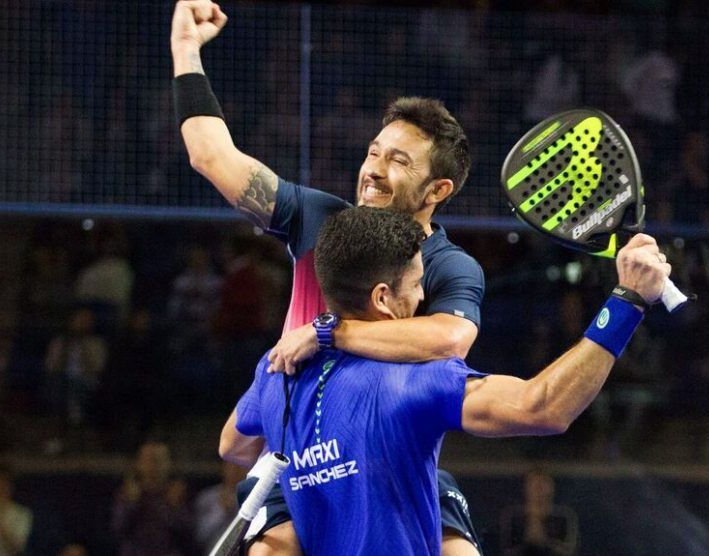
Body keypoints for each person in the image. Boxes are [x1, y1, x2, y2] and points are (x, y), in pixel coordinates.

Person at [171, 2, 484, 553]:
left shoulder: (448, 264)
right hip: (304, 455)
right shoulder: (320, 219)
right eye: (373, 152)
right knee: (272, 549)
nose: (374, 170)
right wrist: (185, 50)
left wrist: (327, 333)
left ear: (438, 190)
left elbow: (451, 339)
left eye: (399, 162)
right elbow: (210, 156)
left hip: (392, 456)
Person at [220, 207, 671, 554]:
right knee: (444, 492)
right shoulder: (413, 380)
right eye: (417, 283)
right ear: (383, 298)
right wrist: (628, 300)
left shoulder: (275, 371)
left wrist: (309, 471)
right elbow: (545, 407)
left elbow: (233, 447)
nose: (422, 295)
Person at [111, 441, 199, 556]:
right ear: (138, 464)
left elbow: (190, 534)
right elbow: (118, 529)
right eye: (148, 460)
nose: (153, 466)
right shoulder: (128, 494)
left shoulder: (179, 494)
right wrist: (132, 503)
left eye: (158, 460)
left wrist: (174, 507)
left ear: (169, 463)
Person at [502, 469, 579, 556]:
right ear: (526, 488)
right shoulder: (513, 516)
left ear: (551, 488)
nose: (538, 490)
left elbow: (570, 551)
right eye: (534, 485)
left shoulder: (565, 516)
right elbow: (507, 551)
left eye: (543, 485)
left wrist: (544, 541)